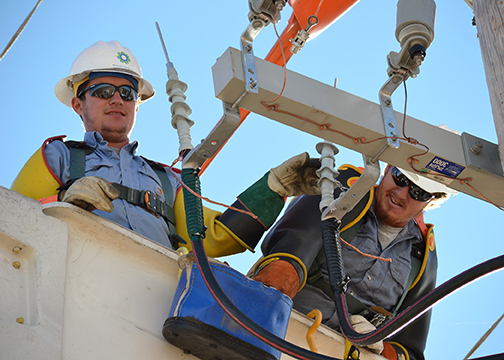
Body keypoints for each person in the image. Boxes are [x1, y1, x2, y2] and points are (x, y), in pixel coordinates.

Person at [10, 40, 321, 256]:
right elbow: (11, 222)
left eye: (127, 93)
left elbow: (213, 238)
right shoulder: (56, 158)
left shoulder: (168, 181)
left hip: (154, 295)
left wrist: (272, 188)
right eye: (104, 91)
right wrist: (62, 200)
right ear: (78, 104)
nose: (117, 99)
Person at [251, 163, 456, 360]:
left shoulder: (422, 257)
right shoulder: (342, 192)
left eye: (418, 193)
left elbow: (410, 349)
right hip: (283, 325)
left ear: (431, 202)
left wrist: (382, 348)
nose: (401, 194)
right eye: (400, 178)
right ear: (386, 169)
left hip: (344, 353)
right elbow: (285, 257)